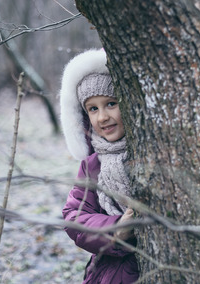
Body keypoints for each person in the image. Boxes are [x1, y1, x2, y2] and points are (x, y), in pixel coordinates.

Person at [60, 49, 139, 283]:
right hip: (112, 272)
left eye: (111, 103)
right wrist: (114, 230)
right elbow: (74, 216)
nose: (102, 117)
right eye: (93, 109)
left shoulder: (150, 152)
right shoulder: (92, 165)